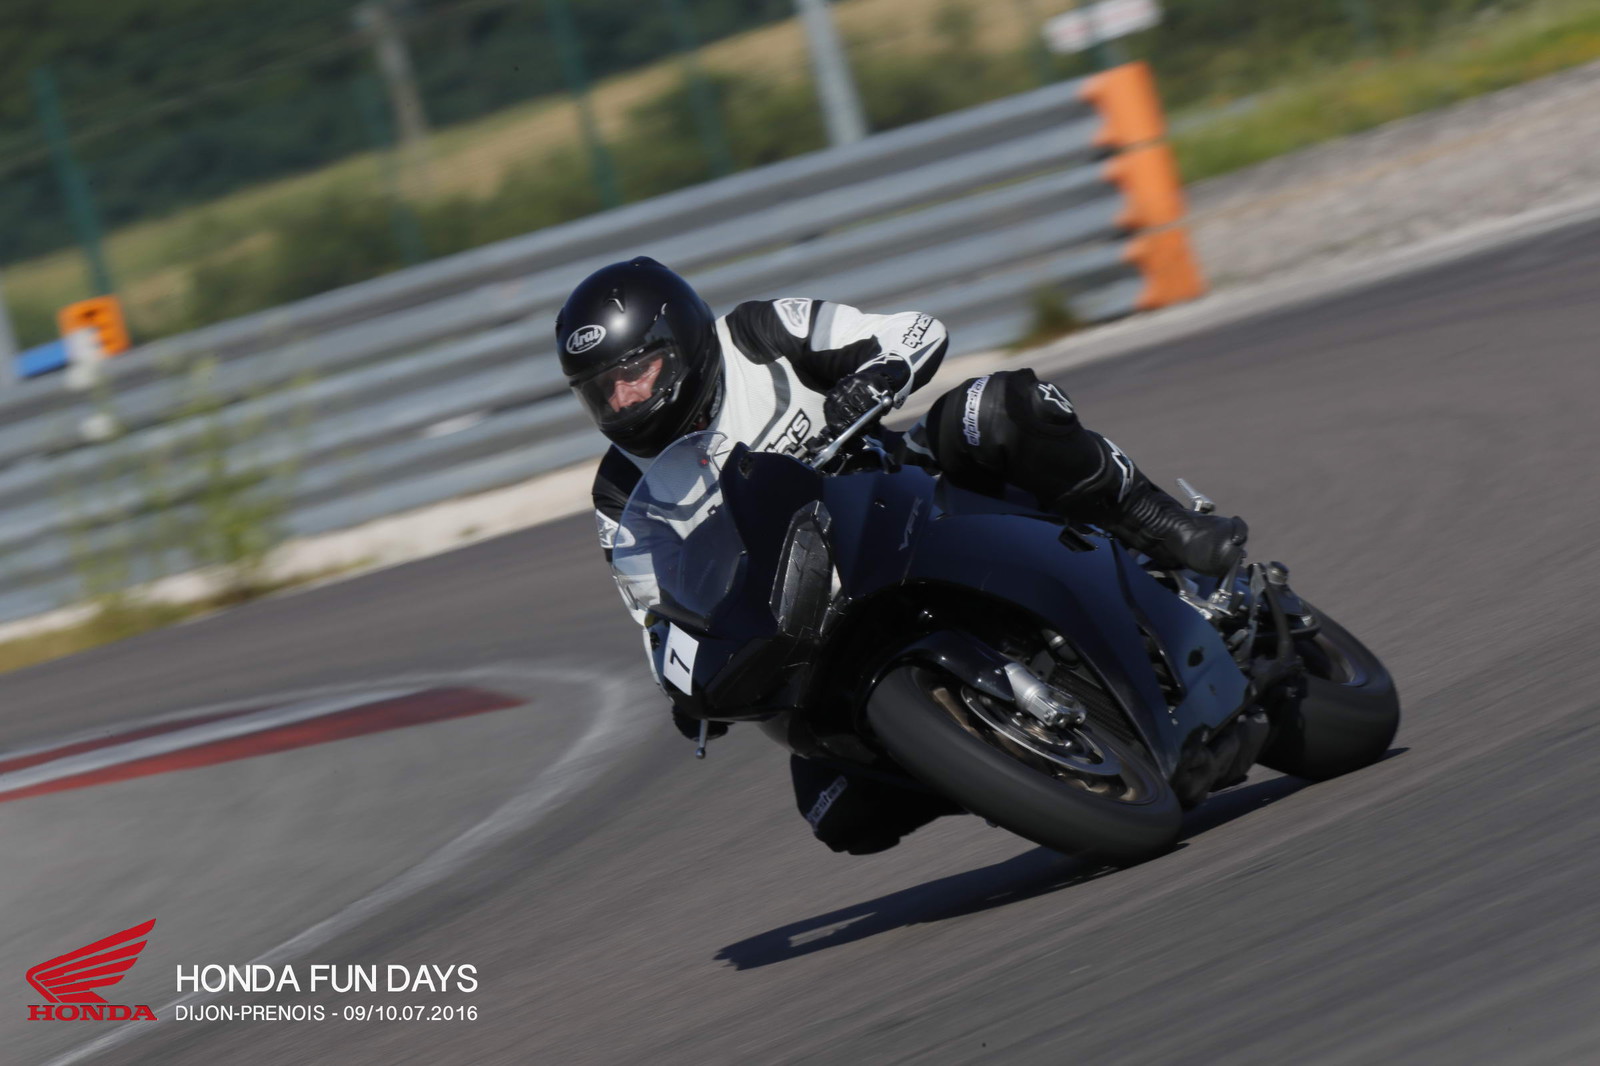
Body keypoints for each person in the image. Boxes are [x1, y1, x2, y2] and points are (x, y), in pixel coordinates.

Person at [559, 256, 1247, 854]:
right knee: (836, 811)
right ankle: (1003, 763)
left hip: (904, 496)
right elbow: (655, 612)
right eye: (601, 390)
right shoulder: (619, 492)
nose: (623, 398)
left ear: (682, 341)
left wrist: (876, 375)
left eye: (636, 372)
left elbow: (913, 331)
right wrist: (688, 683)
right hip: (807, 611)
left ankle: (1162, 525)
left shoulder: (758, 335)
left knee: (996, 408)